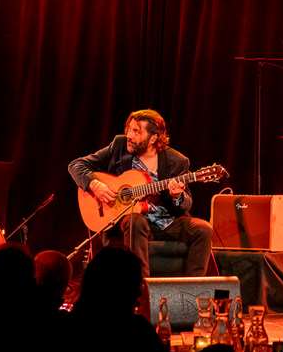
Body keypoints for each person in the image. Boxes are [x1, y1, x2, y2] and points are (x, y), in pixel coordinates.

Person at [68, 109, 213, 280]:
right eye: (129, 129)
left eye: (136, 131)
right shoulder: (119, 146)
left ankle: (192, 291)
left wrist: (177, 196)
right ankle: (141, 288)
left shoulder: (177, 161)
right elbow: (76, 165)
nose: (129, 135)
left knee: (203, 229)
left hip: (166, 222)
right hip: (131, 223)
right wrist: (95, 184)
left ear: (153, 138)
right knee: (135, 220)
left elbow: (186, 203)